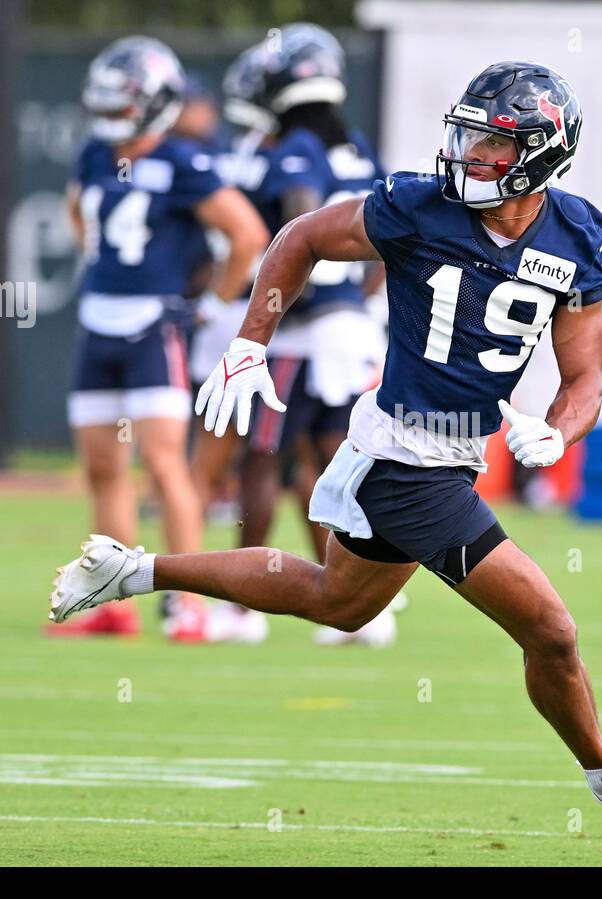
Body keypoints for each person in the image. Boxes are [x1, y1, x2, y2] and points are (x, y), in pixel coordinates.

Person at [49, 61, 602, 844]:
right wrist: (251, 342)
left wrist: (559, 429)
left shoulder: (575, 231)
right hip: (407, 461)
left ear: (539, 154)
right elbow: (302, 237)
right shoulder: (418, 208)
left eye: (490, 145)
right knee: (552, 631)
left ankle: (132, 569)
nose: (467, 157)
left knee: (339, 601)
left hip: (448, 454)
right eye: (465, 137)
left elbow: (587, 375)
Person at [46, 36, 268, 638]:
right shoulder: (96, 155)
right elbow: (77, 213)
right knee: (102, 466)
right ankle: (113, 602)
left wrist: (208, 303)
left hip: (152, 327)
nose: (114, 113)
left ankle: (189, 601)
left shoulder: (184, 161)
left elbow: (247, 233)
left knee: (167, 465)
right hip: (98, 321)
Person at [195, 24, 394, 648]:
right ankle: (360, 599)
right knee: (332, 463)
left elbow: (301, 228)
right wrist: (359, 301)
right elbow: (390, 238)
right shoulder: (359, 149)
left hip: (301, 332)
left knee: (263, 458)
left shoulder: (297, 148)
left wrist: (283, 301)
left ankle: (243, 608)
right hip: (349, 330)